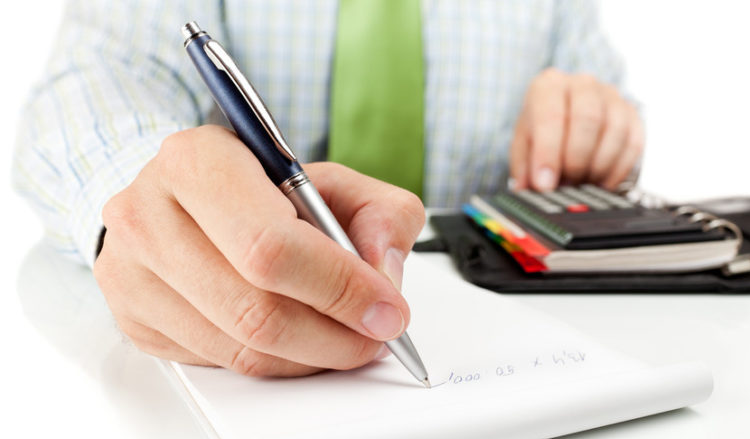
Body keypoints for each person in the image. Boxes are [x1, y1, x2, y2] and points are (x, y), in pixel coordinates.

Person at [13, 0, 644, 377]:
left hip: (500, 313)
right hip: (221, 344)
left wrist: (597, 128)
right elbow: (95, 79)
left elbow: (597, 88)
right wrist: (147, 202)